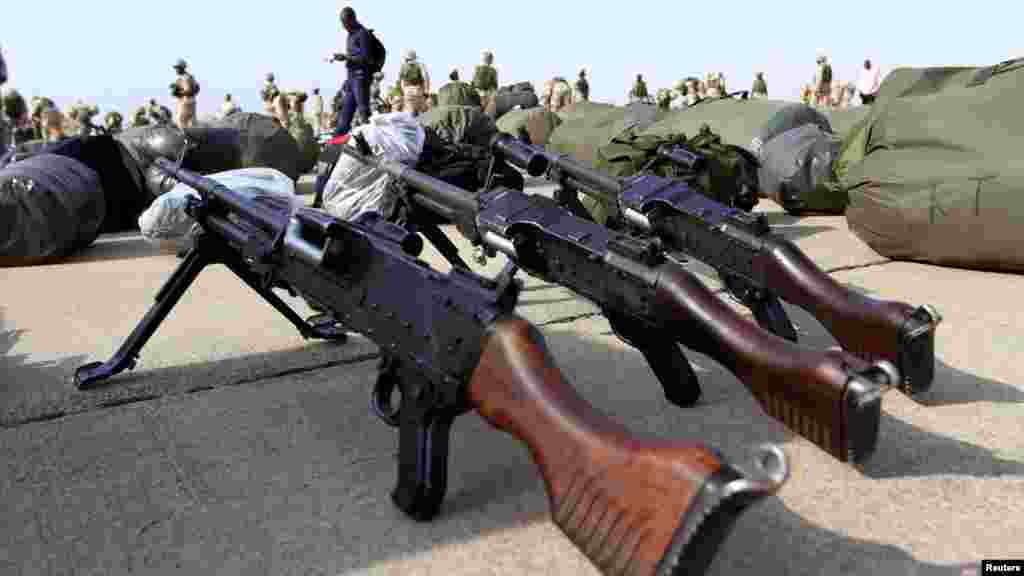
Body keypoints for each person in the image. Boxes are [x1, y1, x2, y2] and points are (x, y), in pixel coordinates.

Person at [327, 6, 374, 134]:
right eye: (342, 23)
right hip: (351, 78)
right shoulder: (350, 35)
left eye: (345, 23)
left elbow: (366, 58)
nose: (344, 26)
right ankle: (335, 144)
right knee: (344, 117)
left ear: (352, 19)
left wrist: (346, 57)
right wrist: (344, 58)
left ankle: (373, 141)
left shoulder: (363, 34)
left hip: (361, 78)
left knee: (364, 113)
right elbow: (353, 57)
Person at [398, 49, 430, 116]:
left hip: (407, 90)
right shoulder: (420, 65)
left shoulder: (403, 67)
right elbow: (426, 77)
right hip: (418, 90)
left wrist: (404, 91)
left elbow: (401, 81)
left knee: (410, 113)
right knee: (422, 112)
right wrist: (426, 90)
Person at [170, 59, 199, 128]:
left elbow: (188, 91)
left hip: (185, 102)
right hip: (191, 101)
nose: (176, 70)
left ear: (182, 68)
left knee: (180, 121)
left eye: (177, 68)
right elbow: (197, 88)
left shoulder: (185, 78)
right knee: (191, 123)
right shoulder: (189, 76)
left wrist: (178, 93)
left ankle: (186, 137)